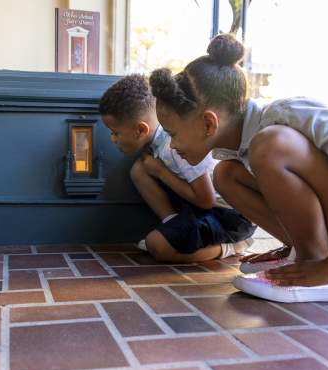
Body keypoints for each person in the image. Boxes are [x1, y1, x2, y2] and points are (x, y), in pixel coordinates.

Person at [149, 33, 328, 303]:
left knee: (270, 145)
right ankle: (301, 251)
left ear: (209, 124)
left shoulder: (287, 115)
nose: (172, 146)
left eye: (173, 134)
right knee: (226, 174)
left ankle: (320, 266)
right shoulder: (236, 152)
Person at [99, 74, 255, 263]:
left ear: (141, 130)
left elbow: (206, 199)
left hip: (230, 217)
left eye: (115, 133)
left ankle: (233, 246)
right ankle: (174, 225)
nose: (112, 139)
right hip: (203, 207)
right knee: (139, 170)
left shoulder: (174, 148)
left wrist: (161, 172)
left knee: (157, 245)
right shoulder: (158, 144)